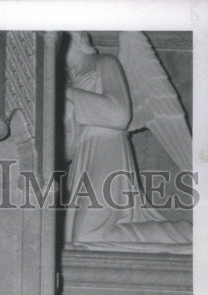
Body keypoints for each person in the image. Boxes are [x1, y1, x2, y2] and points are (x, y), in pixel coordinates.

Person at [63, 31, 191, 251]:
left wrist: (70, 94)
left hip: (107, 148)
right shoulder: (72, 78)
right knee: (76, 239)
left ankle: (184, 233)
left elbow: (119, 114)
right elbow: (68, 150)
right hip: (85, 157)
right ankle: (182, 234)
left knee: (88, 236)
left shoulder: (104, 62)